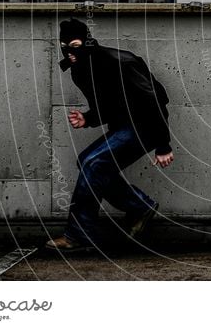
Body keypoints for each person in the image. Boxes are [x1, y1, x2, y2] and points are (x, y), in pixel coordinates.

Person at [45, 18, 174, 252]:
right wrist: (88, 118)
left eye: (74, 44)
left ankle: (78, 235)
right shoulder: (79, 70)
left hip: (145, 124)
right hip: (124, 125)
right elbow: (109, 106)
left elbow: (153, 99)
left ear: (86, 41)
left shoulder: (118, 62)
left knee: (93, 164)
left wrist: (163, 144)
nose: (69, 51)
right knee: (87, 163)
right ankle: (139, 205)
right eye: (64, 46)